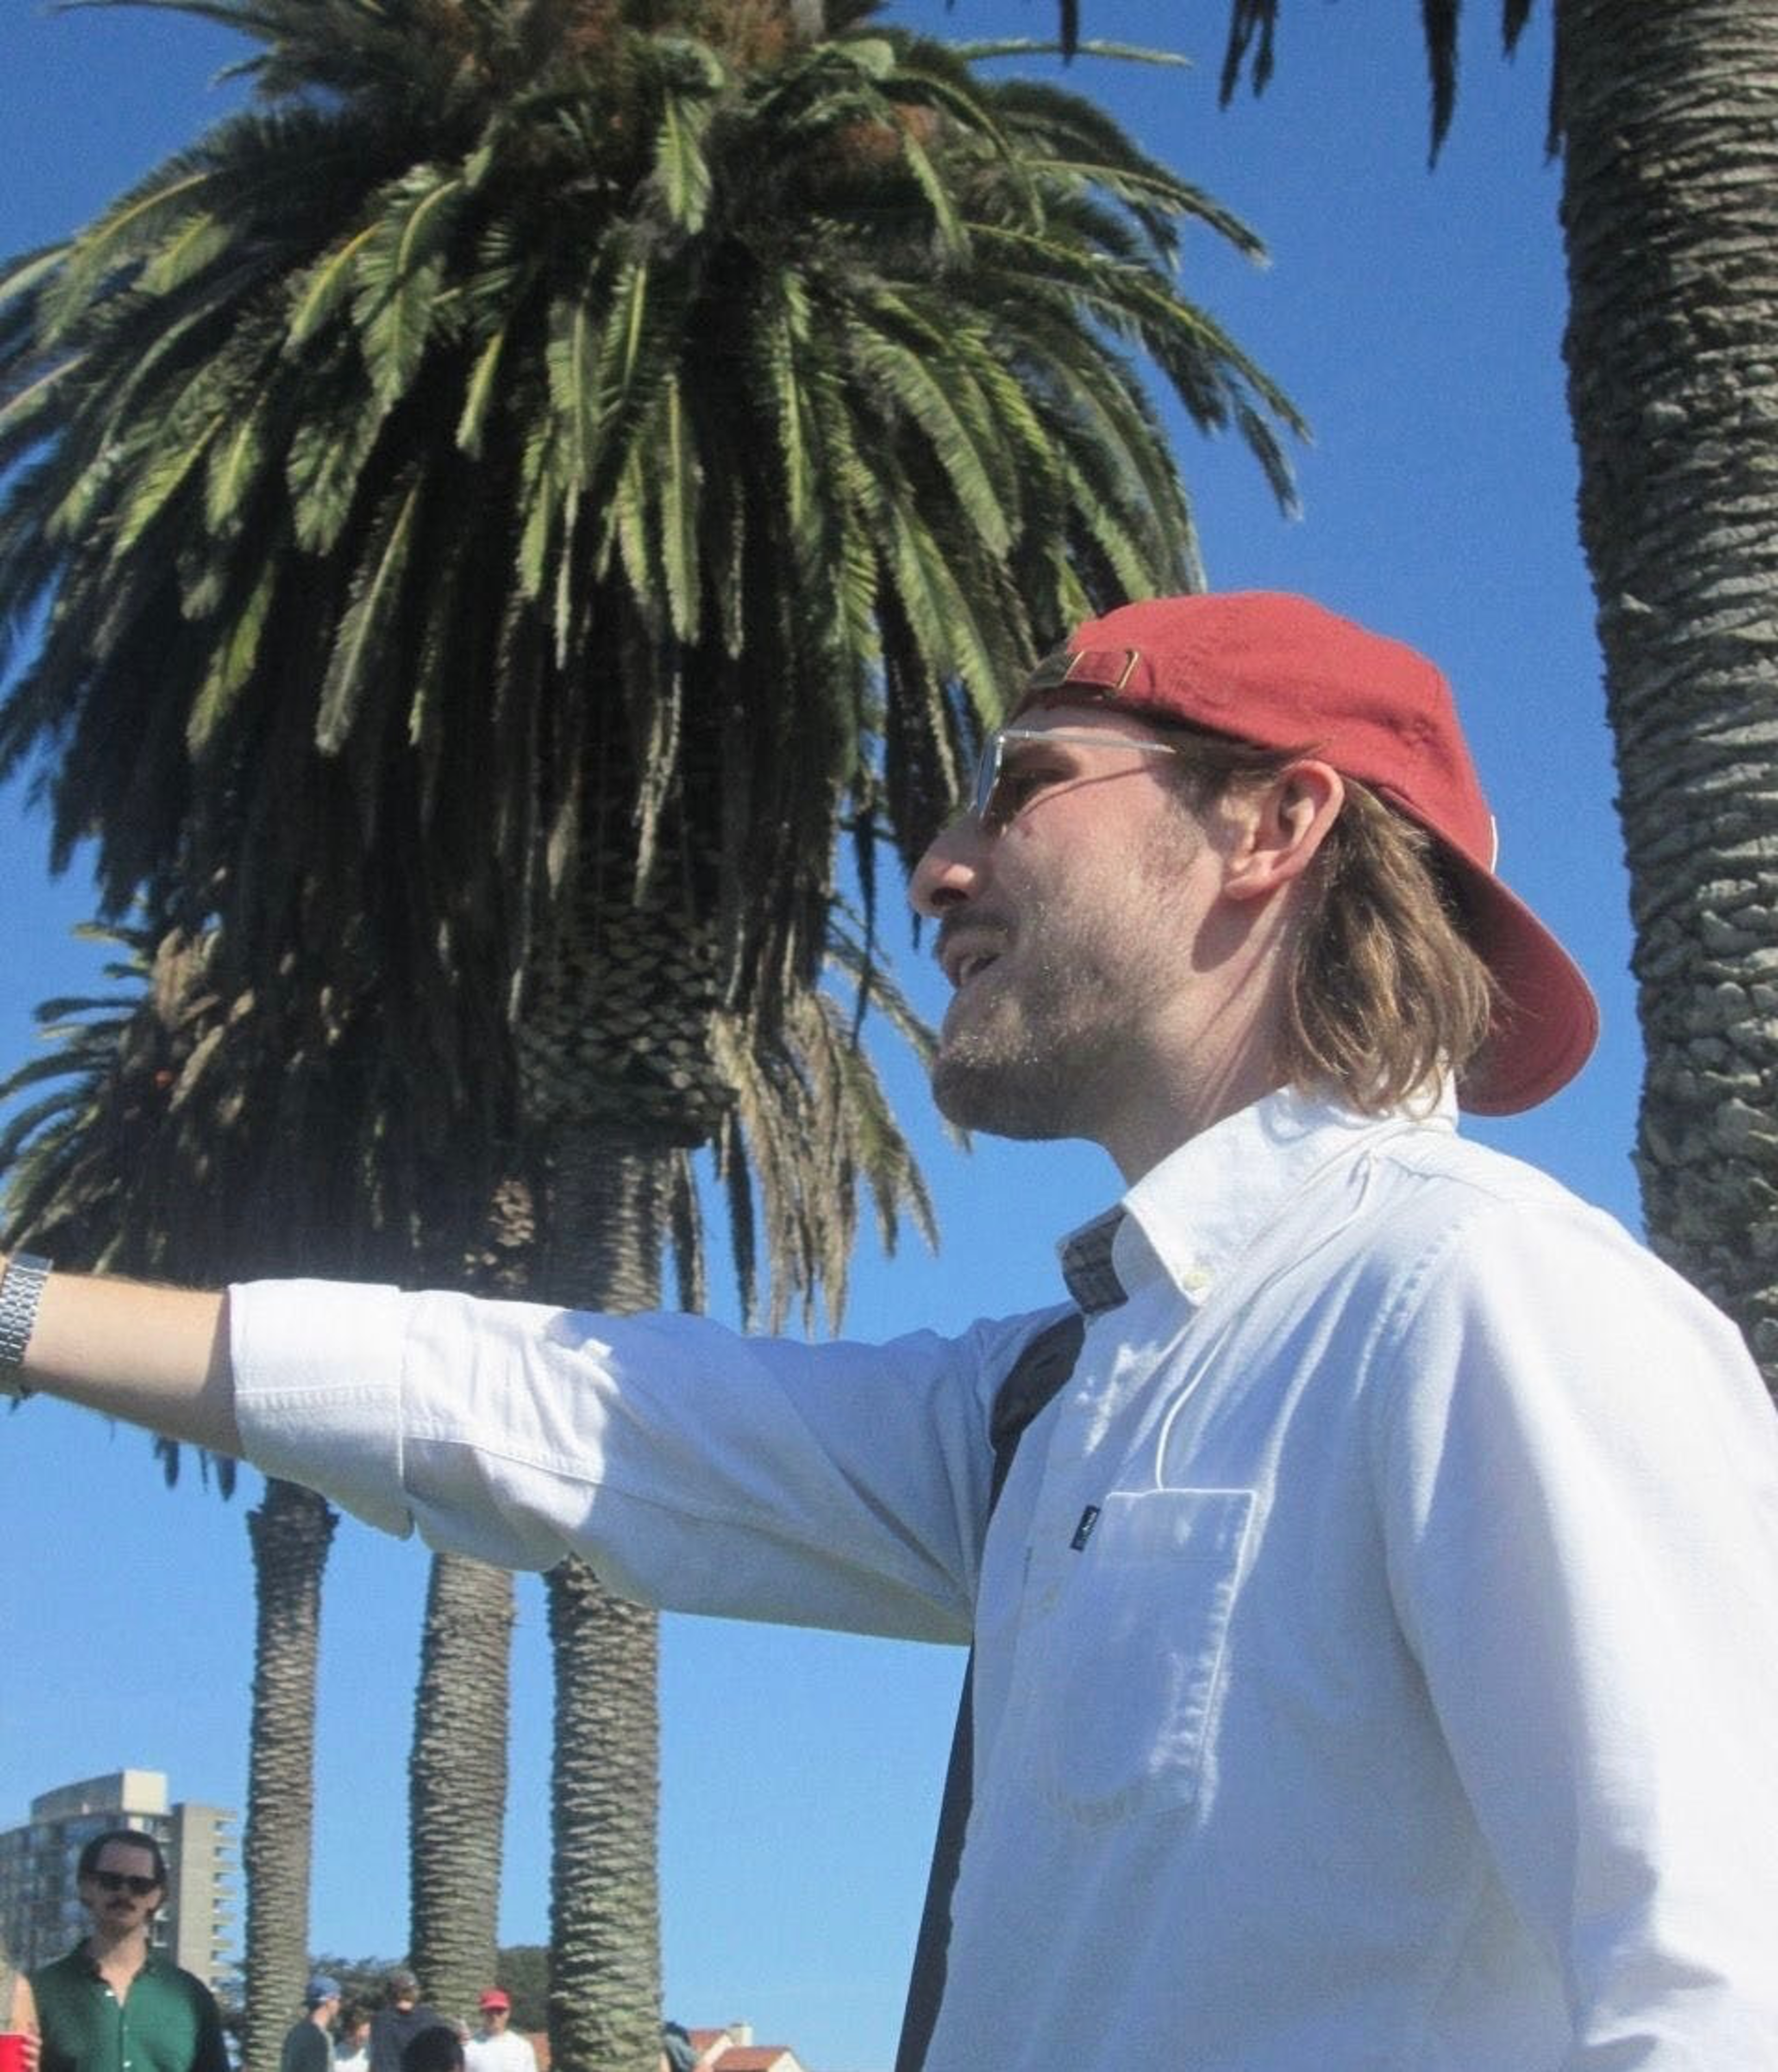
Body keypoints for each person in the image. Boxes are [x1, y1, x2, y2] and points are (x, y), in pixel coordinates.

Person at [6, 591, 1778, 2071]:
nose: (933, 865)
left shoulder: (1485, 1300)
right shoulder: (1048, 1399)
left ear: (1272, 822)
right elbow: (560, 1408)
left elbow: (1716, 1987)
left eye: (1021, 785)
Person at [30, 1830, 229, 2072]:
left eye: (140, 1885)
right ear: (86, 1887)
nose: (125, 1893)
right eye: (111, 1881)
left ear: (157, 1896)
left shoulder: (192, 1998)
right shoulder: (38, 1993)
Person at [366, 1976, 438, 2072]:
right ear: (415, 1992)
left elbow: (378, 2059)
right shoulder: (430, 2018)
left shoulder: (380, 2020)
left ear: (390, 1993)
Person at [280, 1980, 339, 2072]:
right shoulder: (319, 2037)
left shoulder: (295, 2032)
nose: (339, 2005)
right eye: (338, 1999)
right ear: (329, 2002)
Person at [462, 1996, 531, 2072]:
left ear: (508, 2013)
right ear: (482, 2014)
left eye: (499, 2012)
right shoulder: (468, 2048)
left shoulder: (523, 2047)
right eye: (490, 2012)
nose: (495, 2017)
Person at [331, 2006, 370, 2072]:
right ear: (348, 2033)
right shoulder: (334, 2057)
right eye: (360, 2037)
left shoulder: (373, 2051)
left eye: (368, 2030)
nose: (367, 2035)